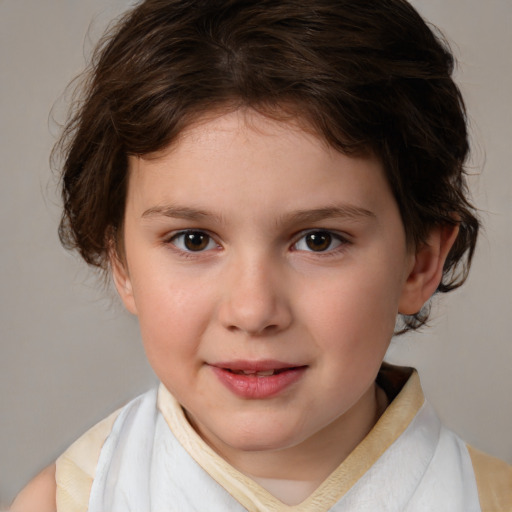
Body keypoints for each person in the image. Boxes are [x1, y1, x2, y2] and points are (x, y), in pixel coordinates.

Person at [11, 0, 511, 510]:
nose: (252, 312)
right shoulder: (64, 502)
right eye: (194, 240)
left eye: (318, 240)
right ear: (120, 261)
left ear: (419, 262)